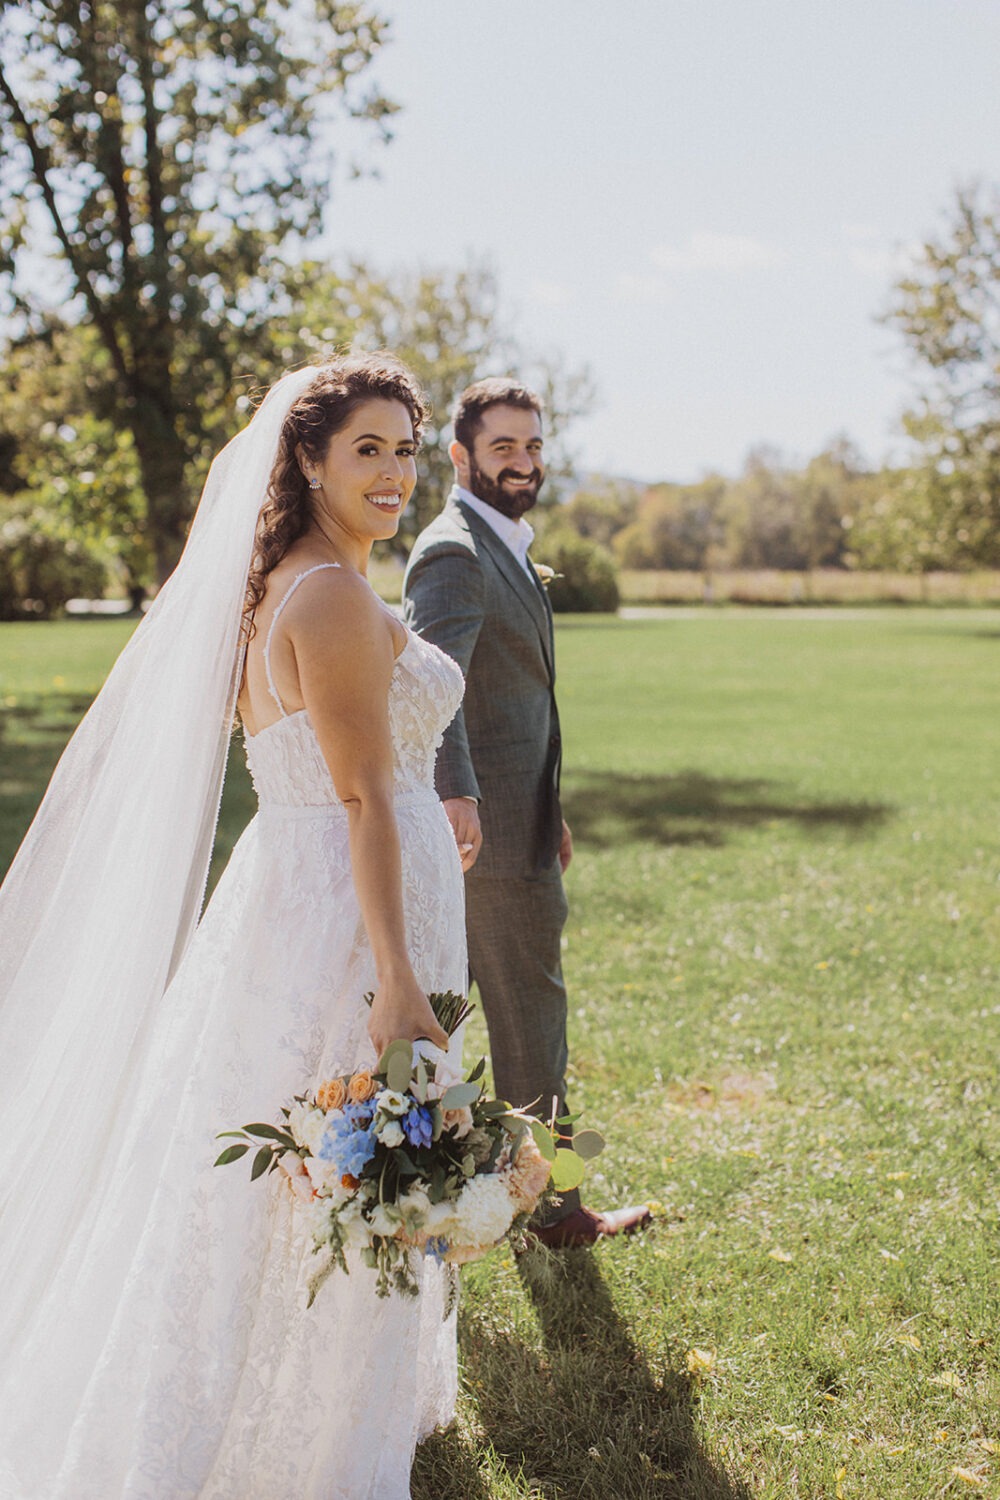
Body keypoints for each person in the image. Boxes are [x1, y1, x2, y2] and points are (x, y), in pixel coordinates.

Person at [0, 355, 470, 1499]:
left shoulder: (289, 584)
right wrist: (399, 979)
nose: (394, 472)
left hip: (296, 896)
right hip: (352, 922)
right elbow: (360, 796)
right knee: (348, 1148)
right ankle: (306, 1434)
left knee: (291, 1166)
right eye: (367, 448)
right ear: (305, 459)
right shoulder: (332, 598)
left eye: (406, 450)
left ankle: (305, 1388)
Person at [402, 377, 651, 1249]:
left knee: (467, 1017)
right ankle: (556, 1212)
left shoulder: (498, 542)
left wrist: (551, 810)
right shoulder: (455, 552)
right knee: (530, 1024)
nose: (523, 462)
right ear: (461, 456)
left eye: (534, 446)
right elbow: (435, 695)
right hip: (488, 843)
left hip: (517, 823)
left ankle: (427, 1196)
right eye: (503, 447)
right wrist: (464, 803)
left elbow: (513, 706)